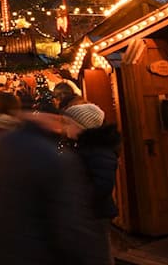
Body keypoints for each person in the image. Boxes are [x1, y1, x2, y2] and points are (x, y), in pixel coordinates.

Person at [0, 109, 105, 265]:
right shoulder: (56, 157)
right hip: (42, 252)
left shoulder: (4, 144)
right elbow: (70, 227)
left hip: (8, 249)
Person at [64, 103, 120, 265]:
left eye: (68, 123)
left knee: (99, 255)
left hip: (95, 214)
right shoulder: (84, 146)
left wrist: (76, 198)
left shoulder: (98, 150)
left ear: (82, 127)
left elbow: (102, 185)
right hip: (88, 213)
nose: (65, 127)